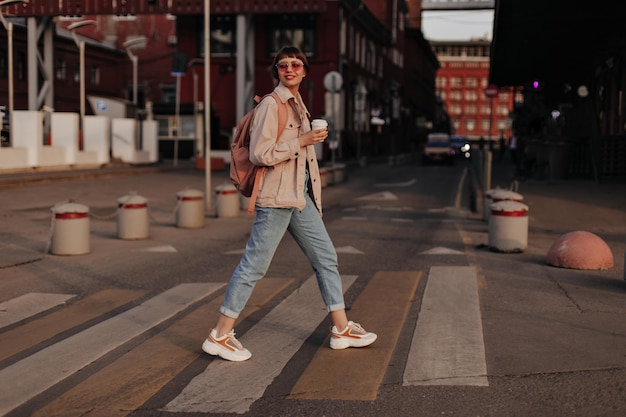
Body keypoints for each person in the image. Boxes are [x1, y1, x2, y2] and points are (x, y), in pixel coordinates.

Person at [201, 46, 377, 362]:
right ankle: (220, 334)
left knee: (326, 257)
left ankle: (340, 329)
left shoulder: (299, 105)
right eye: (283, 65)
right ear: (277, 72)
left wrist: (311, 150)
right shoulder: (272, 104)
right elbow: (260, 153)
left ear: (305, 70)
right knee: (255, 264)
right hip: (276, 198)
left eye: (296, 64)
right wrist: (303, 141)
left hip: (299, 197)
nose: (289, 69)